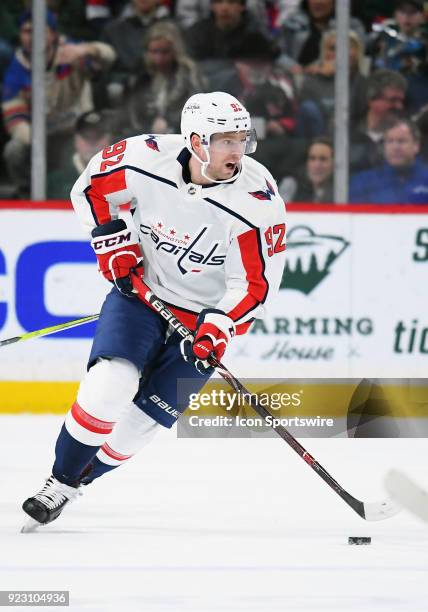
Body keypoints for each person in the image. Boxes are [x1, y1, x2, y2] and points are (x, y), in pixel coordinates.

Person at [22, 91, 286, 528]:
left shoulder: (256, 201)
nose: (237, 150)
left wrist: (220, 326)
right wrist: (111, 238)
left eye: (242, 138)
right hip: (142, 295)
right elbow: (90, 189)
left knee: (140, 427)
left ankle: (78, 483)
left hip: (202, 320)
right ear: (196, 141)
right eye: (225, 140)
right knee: (110, 383)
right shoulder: (142, 158)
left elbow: (254, 284)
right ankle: (59, 482)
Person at [1, 9, 116, 197]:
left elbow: (108, 56)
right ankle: (25, 193)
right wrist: (36, 141)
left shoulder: (70, 53)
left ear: (53, 34)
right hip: (42, 134)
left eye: (40, 31)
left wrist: (86, 50)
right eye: (27, 31)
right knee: (14, 150)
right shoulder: (16, 69)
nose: (33, 37)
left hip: (76, 128)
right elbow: (15, 119)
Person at [124, 22, 206, 136]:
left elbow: (197, 107)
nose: (159, 59)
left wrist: (170, 123)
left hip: (181, 131)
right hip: (144, 131)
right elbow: (132, 110)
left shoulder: (189, 72)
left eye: (164, 52)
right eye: (154, 52)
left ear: (175, 51)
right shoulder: (141, 73)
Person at [349, 118, 428, 204]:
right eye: (390, 141)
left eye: (402, 141)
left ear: (416, 146)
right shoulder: (362, 182)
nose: (395, 147)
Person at [350, 69, 408, 173]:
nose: (399, 106)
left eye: (401, 101)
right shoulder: (347, 134)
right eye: (393, 100)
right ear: (371, 100)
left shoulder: (407, 137)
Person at [47, 110, 112, 199]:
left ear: (108, 139)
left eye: (97, 137)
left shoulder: (125, 180)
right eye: (86, 137)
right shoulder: (53, 184)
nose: (91, 143)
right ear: (76, 139)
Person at [279, 136, 333, 202]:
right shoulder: (291, 185)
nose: (317, 165)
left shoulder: (342, 191)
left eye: (323, 159)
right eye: (312, 158)